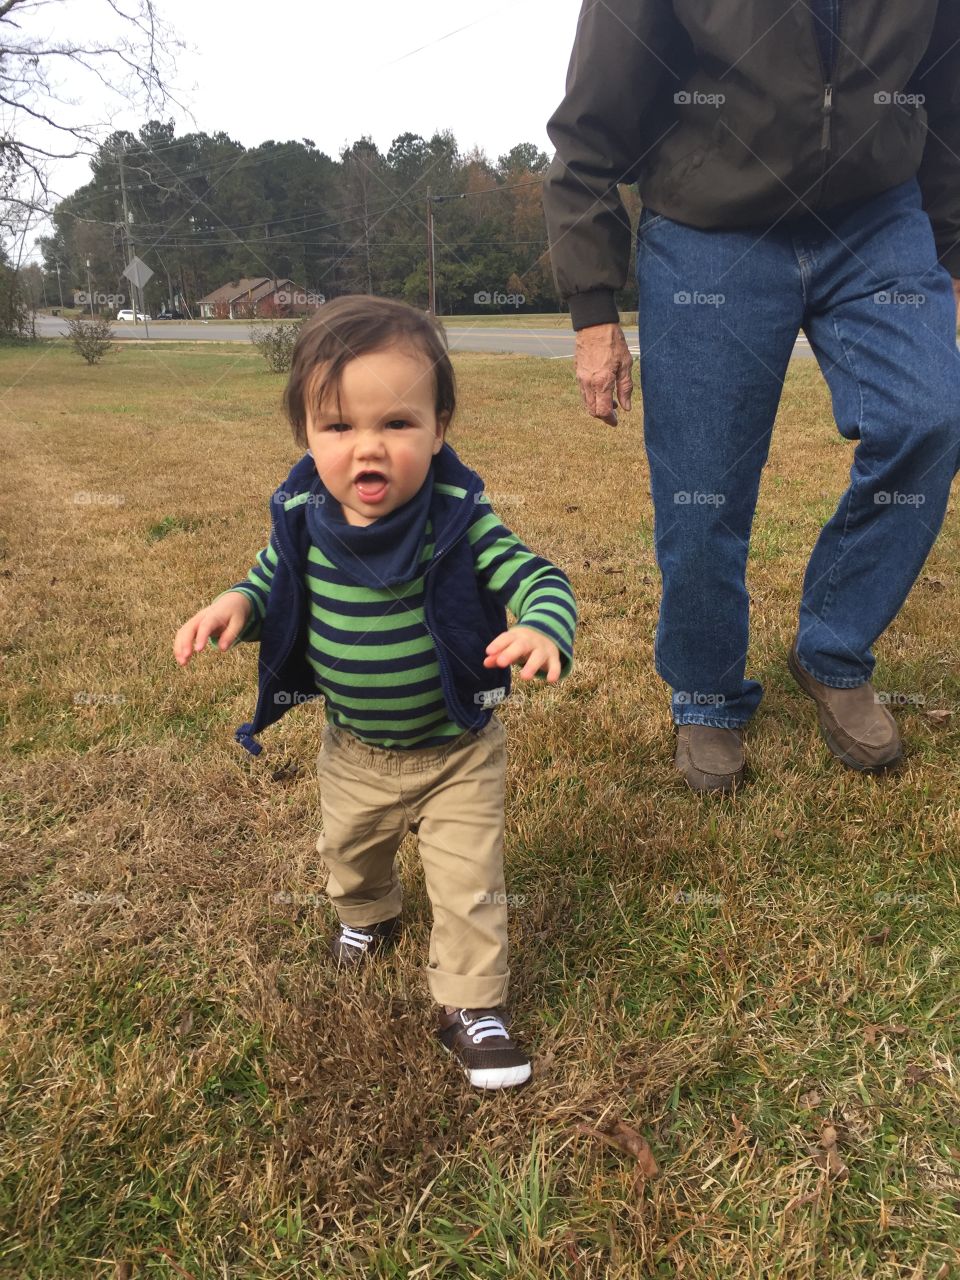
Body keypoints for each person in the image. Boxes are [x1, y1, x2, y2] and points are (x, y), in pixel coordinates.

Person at [543, 0, 960, 791]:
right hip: (710, 225)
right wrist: (594, 310)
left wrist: (953, 248)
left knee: (930, 416)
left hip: (878, 218)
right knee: (703, 490)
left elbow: (949, 93)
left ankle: (831, 649)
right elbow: (589, 128)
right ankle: (707, 694)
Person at [173, 295, 577, 1090]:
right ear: (305, 436)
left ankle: (472, 1005)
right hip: (353, 751)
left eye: (397, 424)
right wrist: (235, 607)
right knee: (349, 857)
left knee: (470, 880)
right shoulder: (303, 521)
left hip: (458, 749)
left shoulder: (458, 521)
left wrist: (542, 628)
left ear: (439, 426)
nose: (369, 449)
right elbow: (269, 587)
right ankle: (370, 915)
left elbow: (536, 577)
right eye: (338, 427)